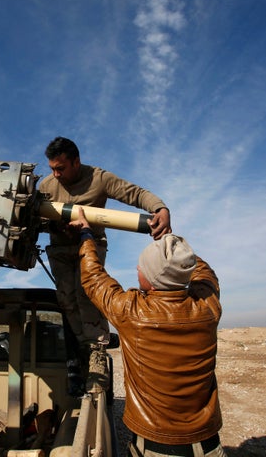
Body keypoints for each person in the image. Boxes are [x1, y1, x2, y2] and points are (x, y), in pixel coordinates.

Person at [69, 207, 225, 457]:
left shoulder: (133, 313)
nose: (137, 269)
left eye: (141, 267)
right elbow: (204, 273)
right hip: (209, 445)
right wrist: (171, 243)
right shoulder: (208, 307)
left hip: (157, 448)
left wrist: (86, 234)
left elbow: (93, 278)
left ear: (150, 280)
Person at [38, 136, 171, 394]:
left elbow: (135, 193)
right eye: (52, 168)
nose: (55, 174)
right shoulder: (47, 185)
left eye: (61, 168)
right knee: (66, 300)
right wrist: (55, 225)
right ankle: (77, 354)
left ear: (76, 162)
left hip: (91, 243)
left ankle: (95, 354)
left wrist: (160, 208)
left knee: (88, 296)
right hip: (60, 250)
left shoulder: (99, 178)